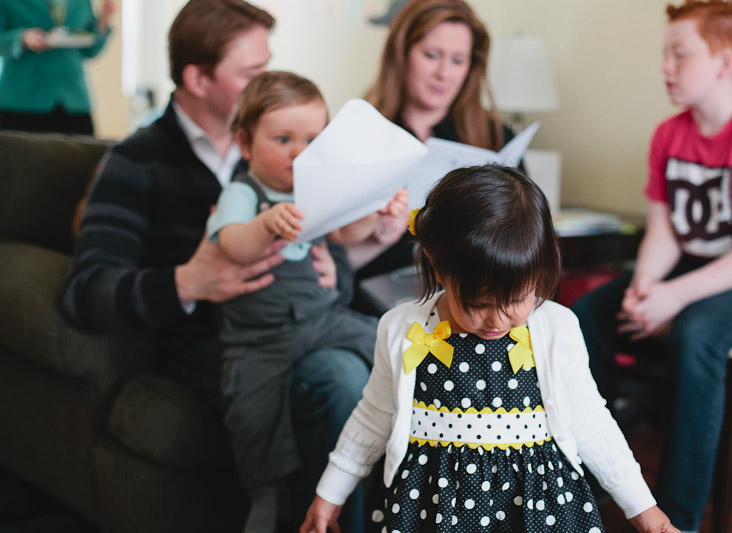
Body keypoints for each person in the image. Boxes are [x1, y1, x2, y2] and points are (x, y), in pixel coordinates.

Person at [61, 1, 371, 531]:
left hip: (301, 320)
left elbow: (333, 258)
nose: (268, 80)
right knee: (339, 375)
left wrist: (330, 271)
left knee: (392, 356)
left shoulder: (294, 154)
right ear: (197, 78)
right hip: (216, 345)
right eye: (252, 71)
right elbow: (84, 292)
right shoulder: (137, 161)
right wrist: (190, 282)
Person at [301, 164, 679, 533]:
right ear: (436, 264)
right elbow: (372, 416)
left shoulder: (556, 328)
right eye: (478, 304)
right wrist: (329, 492)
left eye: (516, 299)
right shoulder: (402, 328)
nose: (498, 320)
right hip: (431, 509)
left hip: (536, 508)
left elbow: (592, 422)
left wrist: (642, 507)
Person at [570, 2, 732, 532]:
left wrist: (675, 298)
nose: (665, 67)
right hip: (697, 265)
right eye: (664, 54)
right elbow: (666, 231)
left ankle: (677, 519)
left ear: (723, 63)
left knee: (696, 335)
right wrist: (647, 284)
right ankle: (587, 475)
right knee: (586, 316)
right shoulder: (669, 135)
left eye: (679, 54)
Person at [207, 70, 407, 532]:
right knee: (253, 423)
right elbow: (232, 244)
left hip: (320, 321)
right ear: (244, 143)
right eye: (282, 139)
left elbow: (345, 232)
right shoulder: (243, 192)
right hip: (258, 340)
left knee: (385, 336)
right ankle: (266, 498)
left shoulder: (313, 189)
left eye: (312, 140)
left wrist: (375, 215)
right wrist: (266, 224)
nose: (299, 153)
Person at [347, 0, 512, 285]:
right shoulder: (357, 133)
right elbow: (328, 263)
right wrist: (381, 234)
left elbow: (525, 247)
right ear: (402, 54)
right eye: (432, 55)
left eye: (458, 60)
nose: (444, 74)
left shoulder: (496, 139)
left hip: (473, 304)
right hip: (375, 302)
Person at [0, 0, 115, 135]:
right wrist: (22, 38)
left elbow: (90, 50)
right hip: (22, 99)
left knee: (84, 154)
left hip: (72, 98)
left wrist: (103, 20)